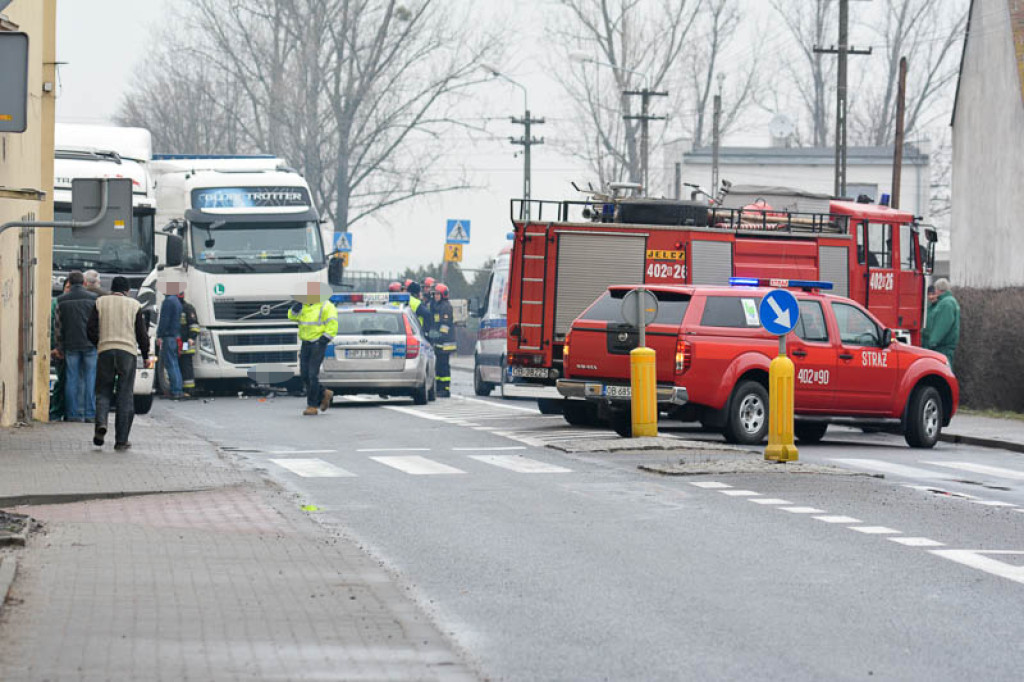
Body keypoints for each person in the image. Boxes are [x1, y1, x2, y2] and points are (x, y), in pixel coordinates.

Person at [87, 276, 150, 450]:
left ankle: (101, 424)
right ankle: (121, 441)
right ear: (127, 291)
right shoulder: (134, 305)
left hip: (106, 351)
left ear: (112, 288)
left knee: (103, 392)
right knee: (125, 395)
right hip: (127, 353)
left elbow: (90, 329)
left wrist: (100, 343)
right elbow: (142, 334)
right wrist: (145, 355)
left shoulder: (100, 302)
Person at [288, 282, 338, 416]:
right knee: (304, 374)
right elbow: (291, 317)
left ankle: (312, 405)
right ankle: (324, 392)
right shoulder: (304, 306)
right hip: (305, 343)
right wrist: (296, 307)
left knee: (312, 374)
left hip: (318, 343)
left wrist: (323, 340)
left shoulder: (326, 305)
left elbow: (332, 325)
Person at [55, 270, 99, 422]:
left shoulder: (61, 300)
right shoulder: (94, 299)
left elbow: (58, 327)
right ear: (84, 283)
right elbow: (97, 323)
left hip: (70, 344)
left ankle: (72, 414)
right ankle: (90, 414)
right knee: (90, 378)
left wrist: (60, 346)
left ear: (69, 283)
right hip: (90, 344)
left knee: (71, 379)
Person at [922, 278, 961, 368]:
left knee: (941, 373)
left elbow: (942, 325)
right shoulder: (946, 302)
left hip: (941, 349)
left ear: (939, 289)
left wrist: (932, 342)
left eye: (935, 289)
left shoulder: (946, 303)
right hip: (941, 348)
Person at [49, 278, 72, 421]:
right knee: (61, 381)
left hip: (72, 348)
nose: (69, 289)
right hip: (61, 349)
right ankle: (56, 411)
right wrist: (54, 347)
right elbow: (53, 327)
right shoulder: (56, 303)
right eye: (67, 287)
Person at [156, 284, 185, 399]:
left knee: (170, 363)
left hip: (168, 336)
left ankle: (175, 390)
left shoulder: (168, 302)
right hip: (175, 336)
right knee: (175, 363)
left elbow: (164, 320)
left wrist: (160, 335)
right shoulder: (177, 301)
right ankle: (178, 388)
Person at [429, 283, 456, 398]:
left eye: (438, 294)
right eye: (435, 294)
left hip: (446, 343)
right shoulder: (437, 305)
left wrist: (438, 335)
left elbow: (445, 325)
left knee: (443, 366)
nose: (436, 296)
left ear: (443, 295)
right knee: (439, 366)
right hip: (440, 342)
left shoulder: (446, 307)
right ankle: (440, 388)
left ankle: (445, 389)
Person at [177, 291, 200, 396]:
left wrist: (192, 337)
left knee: (186, 364)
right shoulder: (176, 307)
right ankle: (183, 387)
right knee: (179, 364)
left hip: (186, 342)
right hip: (178, 342)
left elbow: (194, 325)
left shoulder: (188, 308)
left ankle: (189, 389)